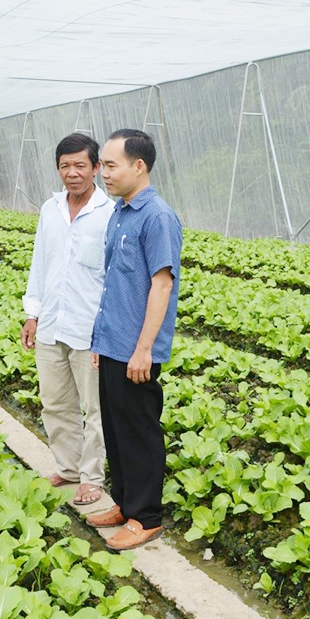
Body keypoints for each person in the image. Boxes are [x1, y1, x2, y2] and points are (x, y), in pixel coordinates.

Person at [85, 129, 183, 551]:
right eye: (103, 165)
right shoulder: (120, 212)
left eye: (110, 165)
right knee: (115, 427)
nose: (102, 173)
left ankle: (146, 517)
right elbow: (114, 282)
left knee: (140, 432)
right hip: (112, 343)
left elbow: (161, 286)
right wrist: (100, 341)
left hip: (136, 349)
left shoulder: (157, 216)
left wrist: (143, 348)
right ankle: (124, 504)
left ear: (138, 166)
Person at [21, 133, 114, 506]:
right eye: (65, 166)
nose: (72, 173)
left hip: (89, 328)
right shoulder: (51, 209)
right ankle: (69, 467)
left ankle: (93, 477)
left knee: (95, 409)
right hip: (52, 323)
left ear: (95, 168)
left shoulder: (110, 213)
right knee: (55, 403)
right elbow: (40, 263)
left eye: (80, 165)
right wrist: (33, 314)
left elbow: (113, 279)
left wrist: (107, 333)